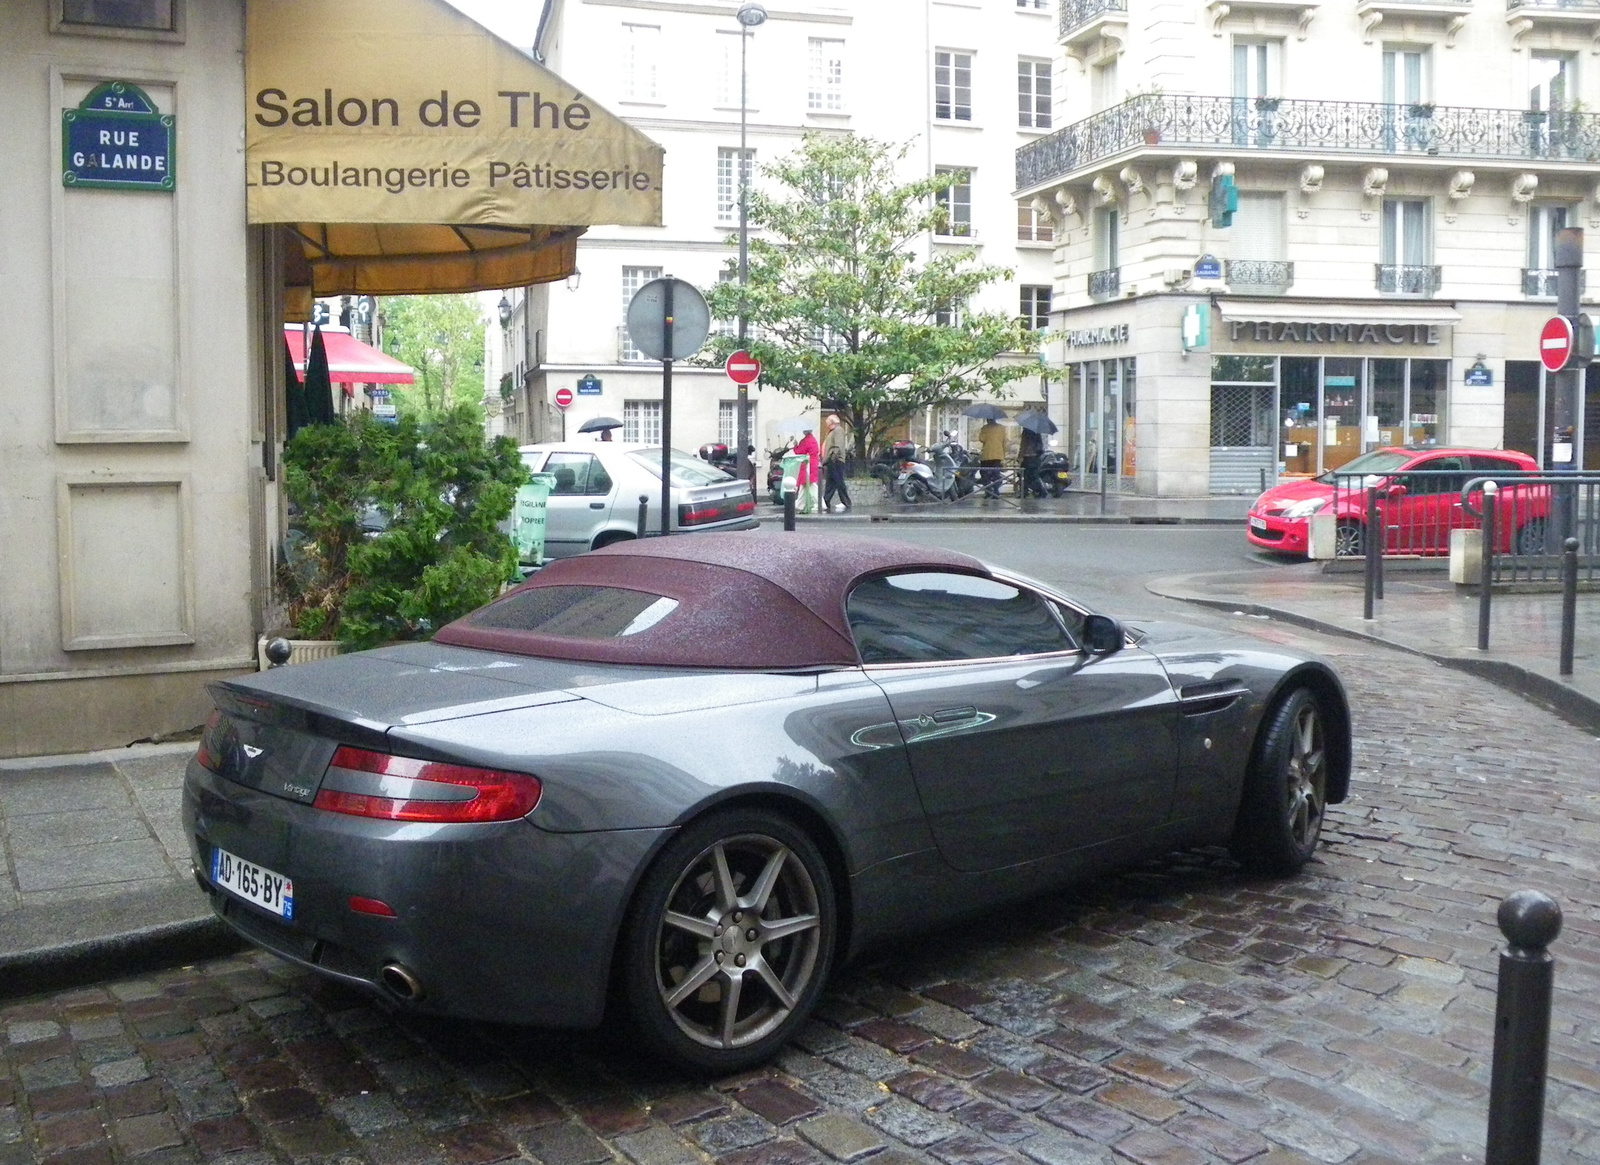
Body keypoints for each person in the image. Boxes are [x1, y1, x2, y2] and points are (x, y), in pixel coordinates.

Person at [821, 414, 852, 513]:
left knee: (838, 481)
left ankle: (846, 502)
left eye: (827, 422)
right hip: (831, 460)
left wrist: (832, 457)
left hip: (835, 460)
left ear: (832, 422)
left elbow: (838, 446)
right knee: (831, 483)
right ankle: (826, 501)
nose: (826, 424)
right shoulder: (833, 431)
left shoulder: (838, 430)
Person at [793, 426, 821, 514]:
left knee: (811, 485)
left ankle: (821, 503)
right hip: (812, 464)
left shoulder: (806, 441)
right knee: (804, 485)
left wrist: (795, 446)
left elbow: (799, 452)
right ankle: (799, 504)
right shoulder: (812, 439)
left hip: (808, 465)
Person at [977, 417, 1006, 498]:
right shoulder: (1001, 428)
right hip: (998, 454)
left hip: (987, 454)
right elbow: (1004, 441)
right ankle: (996, 491)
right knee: (996, 474)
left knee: (984, 473)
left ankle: (988, 491)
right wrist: (1004, 455)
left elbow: (981, 439)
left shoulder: (985, 428)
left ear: (988, 419)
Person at [1018, 425, 1045, 498]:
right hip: (1036, 457)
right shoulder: (1037, 433)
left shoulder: (1026, 432)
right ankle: (1040, 490)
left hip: (1028, 457)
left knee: (1023, 475)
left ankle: (1024, 492)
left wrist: (1020, 456)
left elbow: (1023, 445)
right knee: (1034, 475)